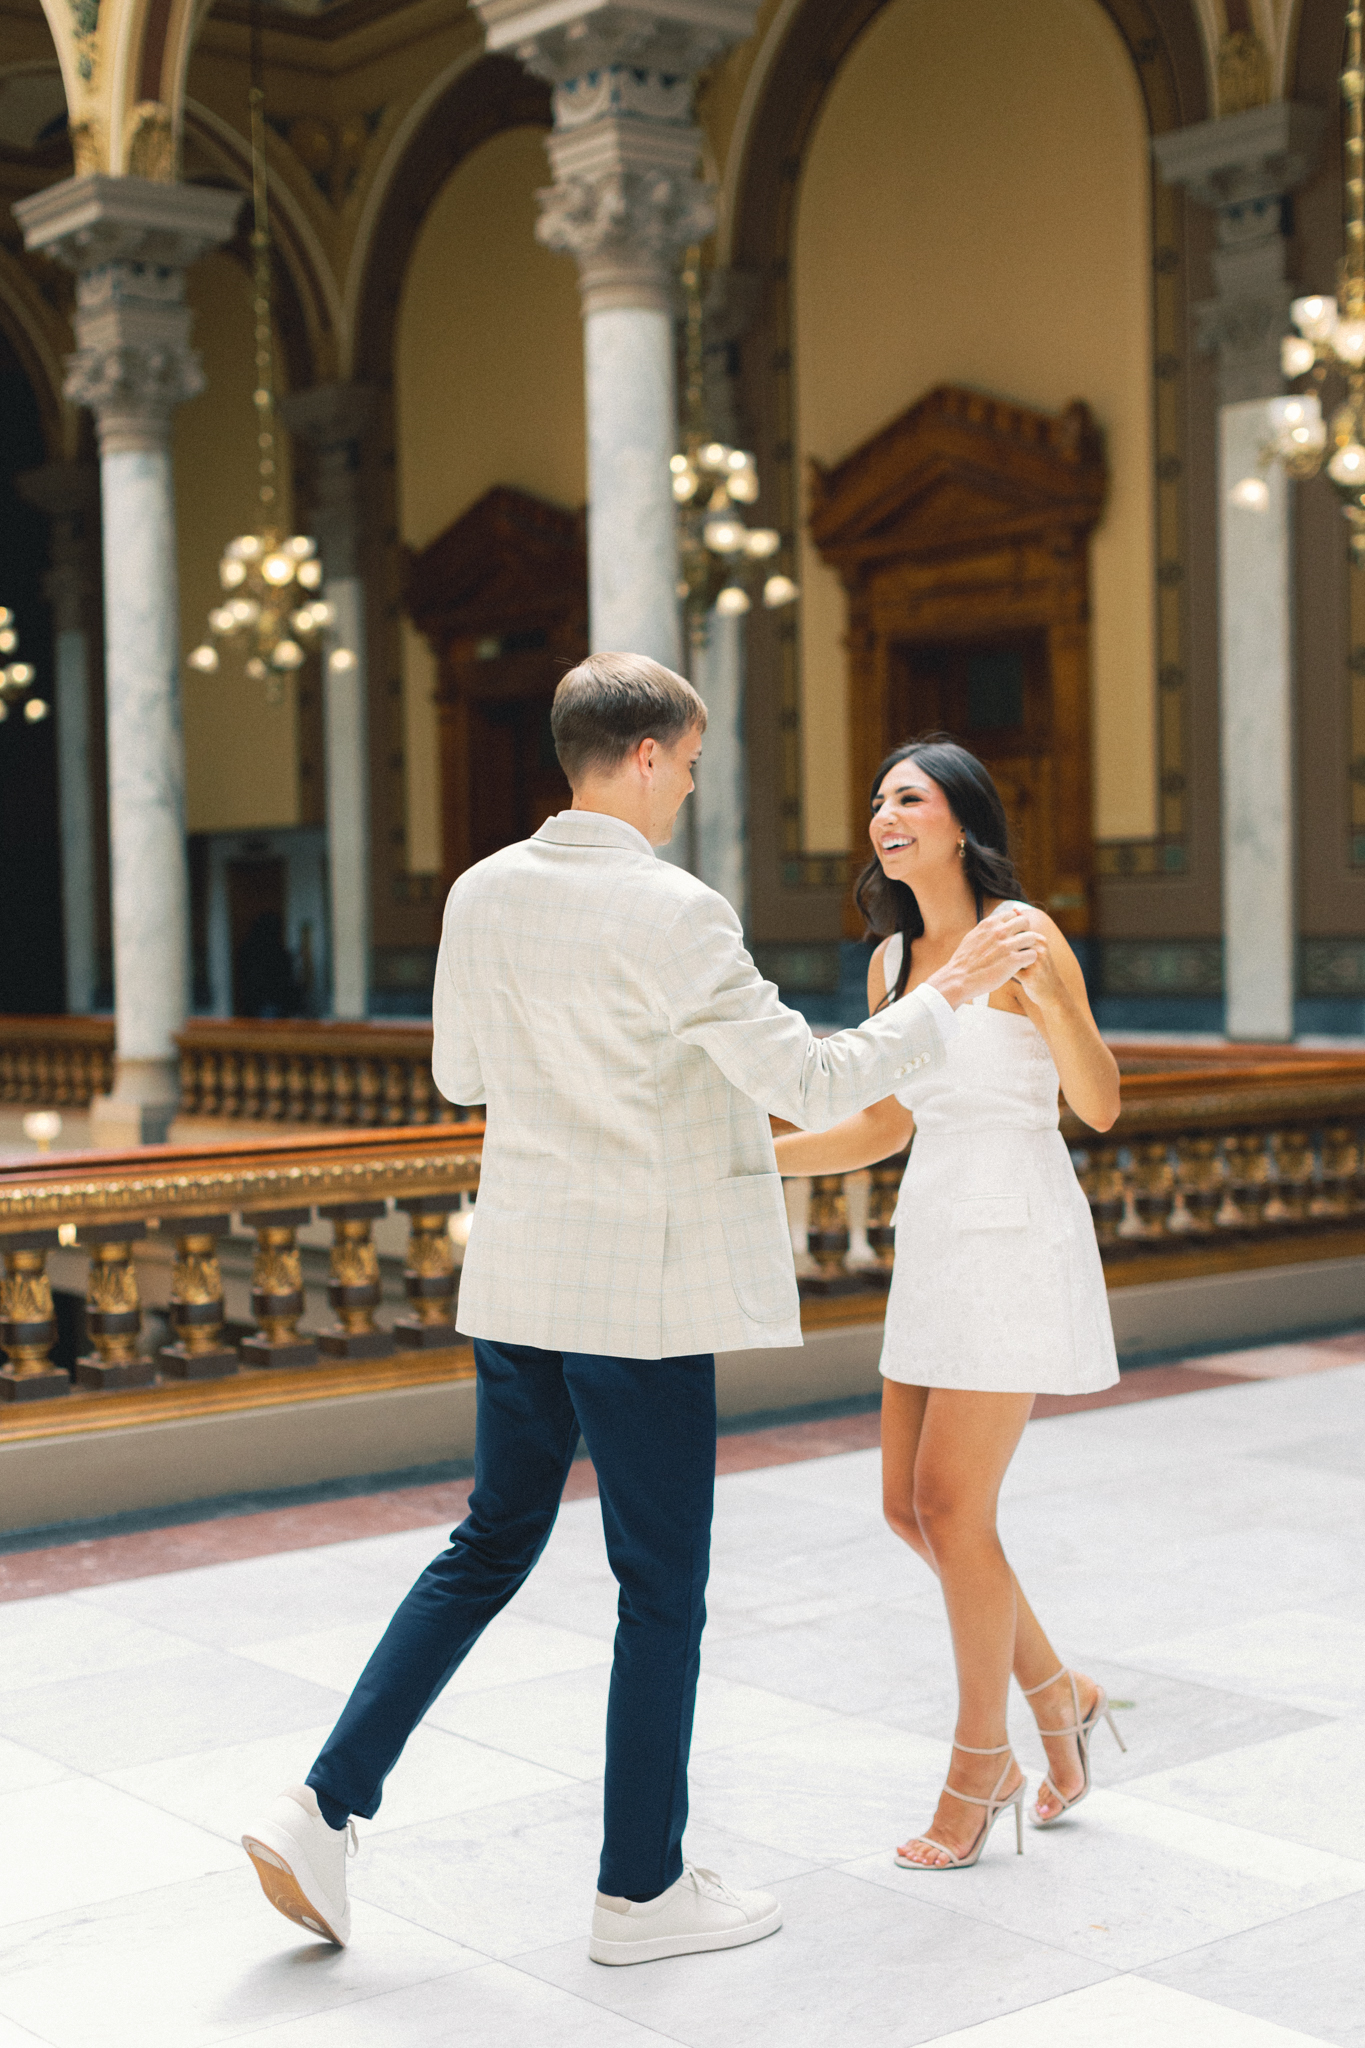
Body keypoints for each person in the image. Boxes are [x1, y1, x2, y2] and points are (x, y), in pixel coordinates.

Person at [241, 660, 1039, 1962]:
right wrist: (941, 1001)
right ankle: (639, 1892)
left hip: (519, 1280)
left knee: (488, 1543)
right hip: (643, 1297)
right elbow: (811, 1075)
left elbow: (457, 1070)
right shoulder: (679, 912)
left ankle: (320, 1807)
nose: (688, 792)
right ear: (656, 755)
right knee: (659, 1588)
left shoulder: (481, 890)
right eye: (694, 764)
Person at [773, 736, 1125, 1872]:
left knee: (952, 1505)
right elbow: (883, 1121)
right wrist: (754, 1158)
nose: (885, 812)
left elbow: (1101, 1101)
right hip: (931, 1228)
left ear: (962, 823)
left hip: (1013, 1220)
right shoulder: (887, 962)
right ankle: (1059, 1690)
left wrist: (1047, 1002)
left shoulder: (1025, 931)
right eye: (878, 797)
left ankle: (984, 1763)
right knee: (904, 1504)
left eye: (909, 797)